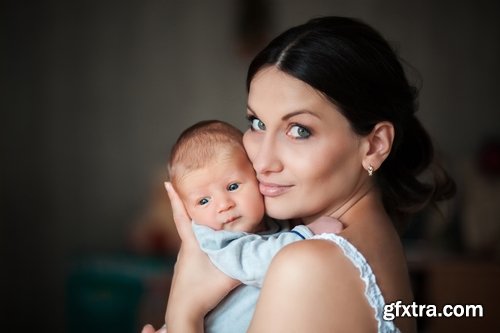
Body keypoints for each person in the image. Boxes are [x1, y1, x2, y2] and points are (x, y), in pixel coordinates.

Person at [143, 15, 455, 333]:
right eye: (257, 123)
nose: (262, 161)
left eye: (299, 130)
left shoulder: (304, 265)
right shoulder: (373, 235)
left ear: (374, 145)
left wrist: (184, 311)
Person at [164, 119, 343, 332]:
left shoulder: (271, 220)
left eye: (232, 186)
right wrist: (306, 234)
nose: (223, 205)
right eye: (204, 201)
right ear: (187, 211)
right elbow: (255, 263)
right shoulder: (214, 240)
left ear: (256, 176)